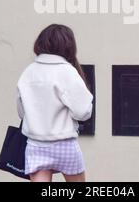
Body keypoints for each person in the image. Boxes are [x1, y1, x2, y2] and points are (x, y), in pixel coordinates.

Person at [17, 24, 93, 182]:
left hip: (36, 145)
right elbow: (83, 112)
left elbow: (21, 112)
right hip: (64, 144)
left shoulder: (28, 72)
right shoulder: (67, 72)